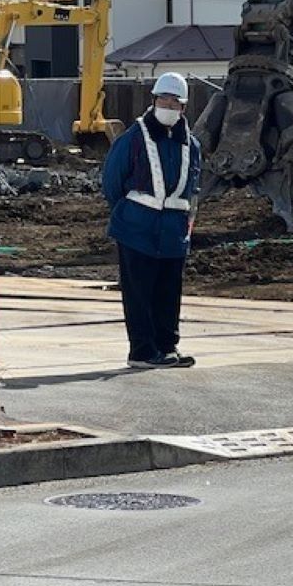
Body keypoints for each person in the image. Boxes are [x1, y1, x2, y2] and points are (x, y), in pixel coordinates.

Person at [102, 72, 200, 368]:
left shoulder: (191, 145)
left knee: (168, 292)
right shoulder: (132, 138)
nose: (168, 105)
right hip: (136, 229)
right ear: (154, 99)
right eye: (164, 99)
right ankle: (142, 351)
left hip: (172, 232)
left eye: (175, 101)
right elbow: (111, 182)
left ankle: (167, 347)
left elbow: (193, 188)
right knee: (139, 293)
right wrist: (130, 214)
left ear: (184, 106)